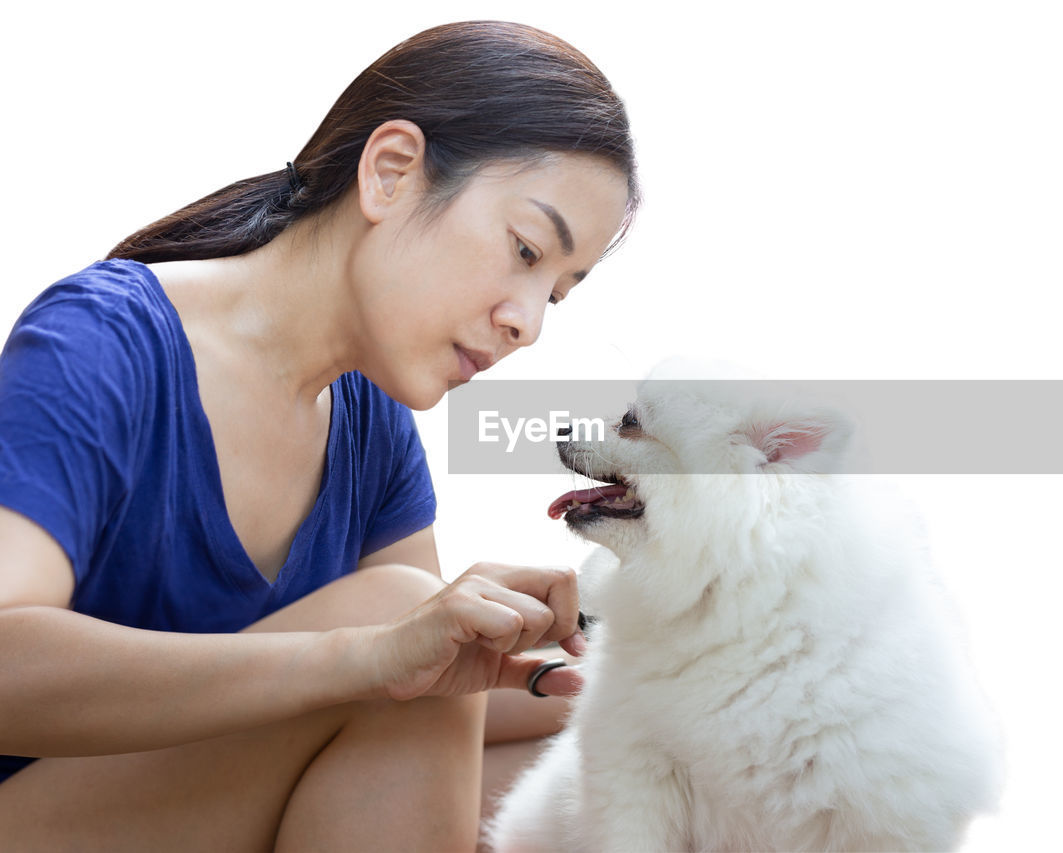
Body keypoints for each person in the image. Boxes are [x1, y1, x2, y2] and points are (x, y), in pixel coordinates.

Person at [0, 20, 638, 851]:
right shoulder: (103, 342)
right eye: (524, 249)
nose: (527, 323)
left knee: (613, 740)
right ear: (392, 172)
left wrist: (647, 664)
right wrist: (367, 651)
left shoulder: (368, 418)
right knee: (405, 626)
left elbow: (427, 678)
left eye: (556, 292)